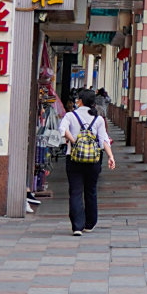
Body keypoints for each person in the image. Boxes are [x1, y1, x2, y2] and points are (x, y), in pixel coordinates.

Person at [58, 90, 115, 237]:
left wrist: (74, 141)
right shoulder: (98, 119)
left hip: (73, 159)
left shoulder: (70, 116)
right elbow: (103, 140)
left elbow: (62, 129)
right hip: (93, 160)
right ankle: (89, 224)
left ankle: (77, 226)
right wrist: (110, 156)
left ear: (80, 101)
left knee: (75, 191)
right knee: (91, 191)